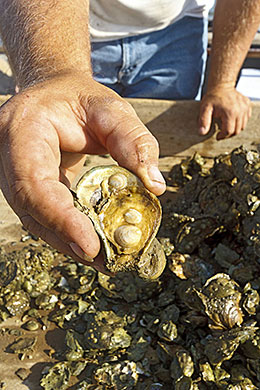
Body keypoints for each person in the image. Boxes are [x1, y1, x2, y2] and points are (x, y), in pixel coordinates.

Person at [0, 0, 259, 273]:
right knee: (81, 137)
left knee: (146, 146)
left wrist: (223, 84)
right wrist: (54, 72)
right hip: (73, 25)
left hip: (175, 31)